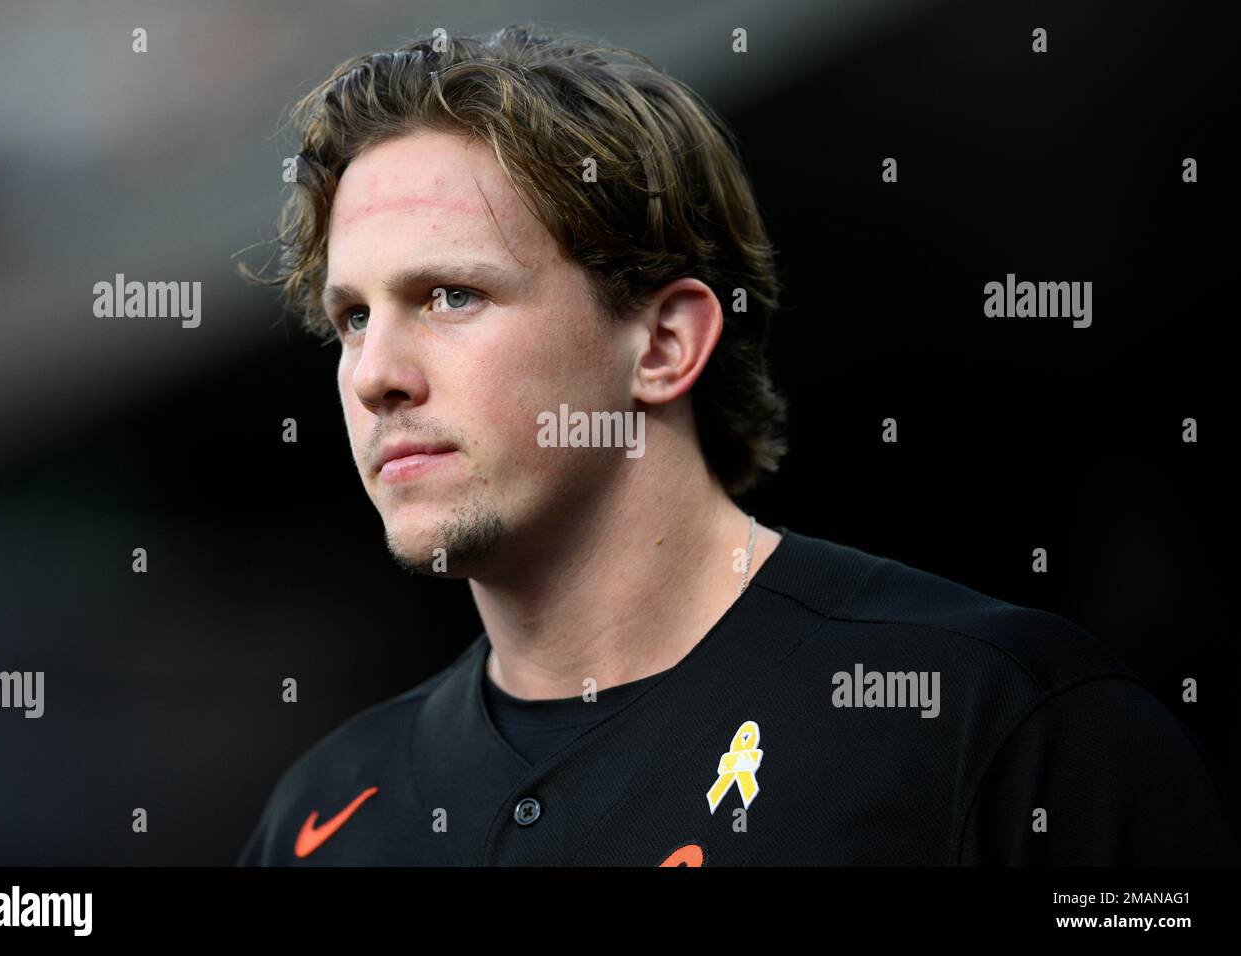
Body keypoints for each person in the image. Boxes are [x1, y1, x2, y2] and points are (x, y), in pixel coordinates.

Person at [237, 24, 1237, 865]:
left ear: (664, 343)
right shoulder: (321, 812)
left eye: (449, 294)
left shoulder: (999, 720)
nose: (375, 375)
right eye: (352, 318)